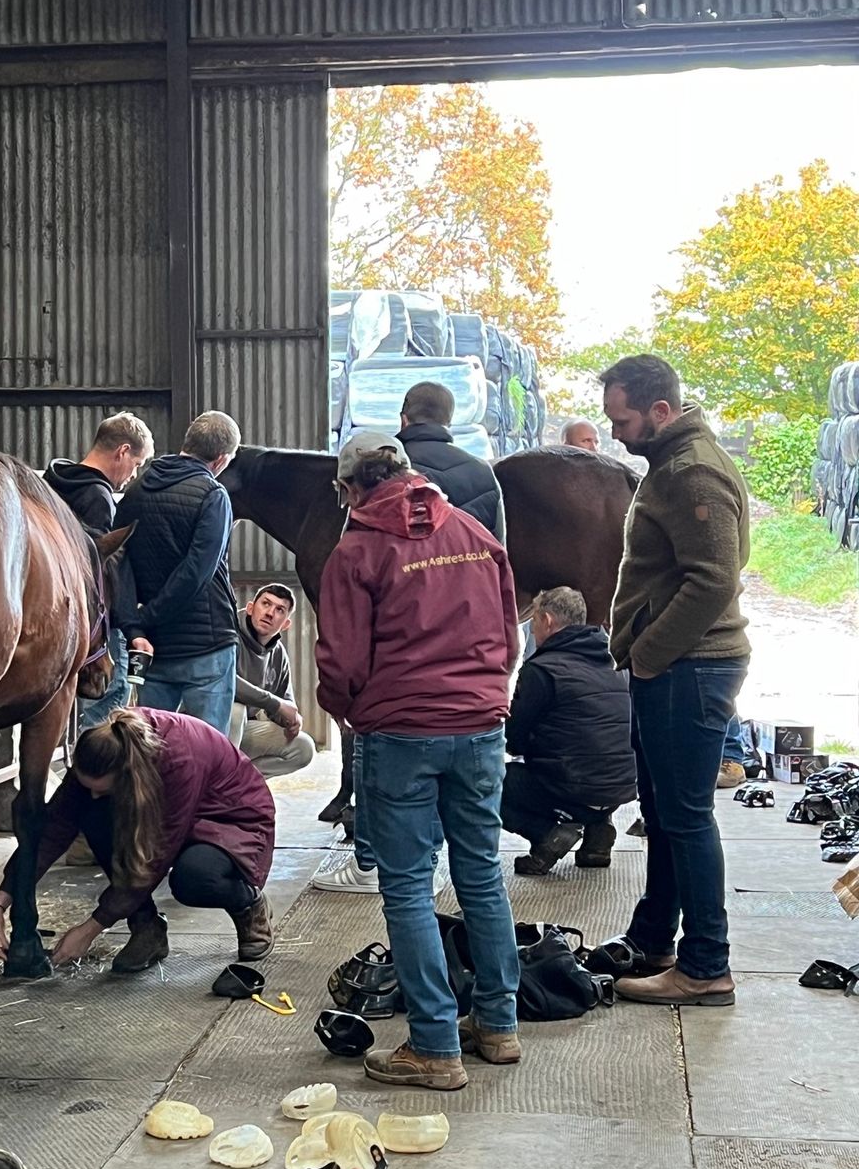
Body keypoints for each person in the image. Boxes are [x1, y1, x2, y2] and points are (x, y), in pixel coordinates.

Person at [316, 435, 522, 1091]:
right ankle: (498, 1024)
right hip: (481, 726)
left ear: (351, 490)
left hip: (402, 731)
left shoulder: (356, 550)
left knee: (406, 886)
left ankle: (435, 1045)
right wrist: (486, 694)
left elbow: (342, 662)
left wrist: (349, 709)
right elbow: (509, 635)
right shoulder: (473, 531)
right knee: (481, 874)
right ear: (410, 475)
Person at [592, 354, 750, 1006]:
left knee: (685, 818)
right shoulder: (670, 464)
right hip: (674, 665)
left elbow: (714, 578)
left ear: (661, 412)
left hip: (689, 667)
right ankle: (655, 936)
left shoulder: (691, 472)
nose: (615, 433)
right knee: (662, 813)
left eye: (622, 420)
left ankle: (706, 964)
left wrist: (652, 652)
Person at [0, 708, 275, 975]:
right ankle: (146, 927)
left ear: (127, 774)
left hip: (230, 818)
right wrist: (2, 900)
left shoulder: (179, 760)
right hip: (175, 813)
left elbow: (155, 858)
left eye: (101, 788)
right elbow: (52, 830)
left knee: (194, 877)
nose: (94, 795)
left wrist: (91, 928)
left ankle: (248, 905)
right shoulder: (104, 751)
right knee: (93, 813)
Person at [114, 411, 241, 736]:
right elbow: (197, 572)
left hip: (154, 647)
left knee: (153, 752)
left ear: (187, 444)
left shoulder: (136, 492)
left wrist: (135, 625)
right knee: (208, 752)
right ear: (222, 459)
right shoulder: (213, 496)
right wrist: (148, 618)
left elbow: (118, 564)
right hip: (207, 647)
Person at [502, 585, 637, 875]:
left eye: (534, 622)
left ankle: (546, 833)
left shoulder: (541, 670)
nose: (533, 631)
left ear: (547, 621)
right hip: (621, 786)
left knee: (488, 782)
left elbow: (513, 740)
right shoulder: (616, 662)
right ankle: (598, 831)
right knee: (596, 753)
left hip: (573, 786)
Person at [43, 412, 155, 730]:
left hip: (55, 609)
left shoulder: (53, 483)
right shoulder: (99, 498)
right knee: (115, 687)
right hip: (91, 617)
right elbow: (100, 570)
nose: (133, 475)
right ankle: (88, 751)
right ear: (122, 452)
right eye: (136, 464)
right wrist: (127, 624)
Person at [395, 381, 505, 540]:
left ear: (403, 420)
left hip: (406, 565)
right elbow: (497, 545)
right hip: (467, 564)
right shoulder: (483, 472)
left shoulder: (386, 468)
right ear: (448, 423)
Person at [230, 584, 316, 779]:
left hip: (244, 731)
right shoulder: (229, 633)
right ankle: (221, 783)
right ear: (251, 608)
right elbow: (226, 682)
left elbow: (285, 701)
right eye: (266, 604)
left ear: (285, 624)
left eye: (279, 610)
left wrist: (292, 718)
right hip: (209, 725)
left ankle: (238, 784)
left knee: (303, 748)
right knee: (236, 710)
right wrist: (275, 704)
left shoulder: (278, 655)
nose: (270, 613)